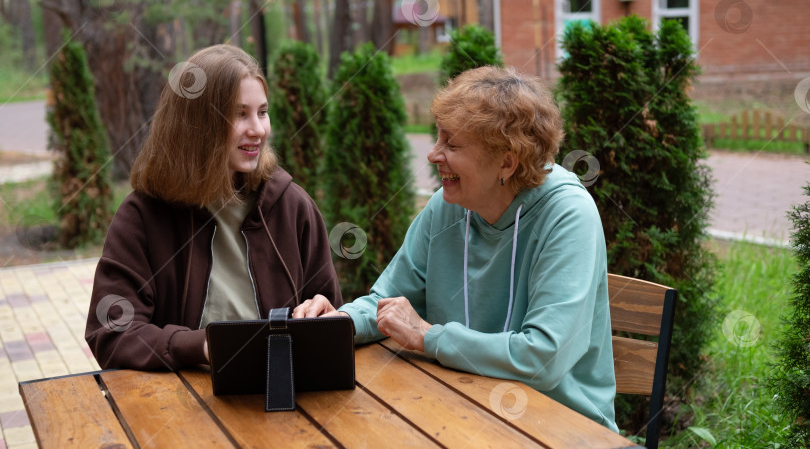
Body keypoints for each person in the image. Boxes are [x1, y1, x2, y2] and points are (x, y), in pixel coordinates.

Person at [294, 65, 617, 431]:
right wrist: (339, 323)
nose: (433, 155)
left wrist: (428, 337)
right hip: (461, 407)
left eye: (451, 143)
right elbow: (388, 302)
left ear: (506, 162)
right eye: (437, 139)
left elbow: (543, 358)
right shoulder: (447, 205)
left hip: (560, 425)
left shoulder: (567, 215)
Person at [86, 44, 342, 370]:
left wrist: (326, 312)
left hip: (277, 392)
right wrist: (202, 346)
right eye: (239, 114)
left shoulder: (293, 206)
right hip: (176, 401)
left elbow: (331, 311)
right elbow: (111, 333)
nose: (258, 130)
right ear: (197, 124)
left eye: (262, 112)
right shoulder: (142, 216)